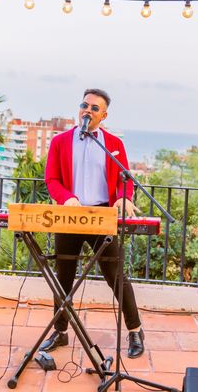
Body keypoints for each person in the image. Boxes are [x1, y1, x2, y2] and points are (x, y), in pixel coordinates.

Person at [40, 88, 145, 359]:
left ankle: (135, 330)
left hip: (102, 216)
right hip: (71, 214)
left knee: (116, 276)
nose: (87, 110)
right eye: (84, 105)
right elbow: (51, 179)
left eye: (94, 108)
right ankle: (60, 332)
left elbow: (125, 180)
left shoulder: (112, 144)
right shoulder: (61, 141)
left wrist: (123, 199)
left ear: (104, 115)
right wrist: (67, 198)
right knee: (63, 277)